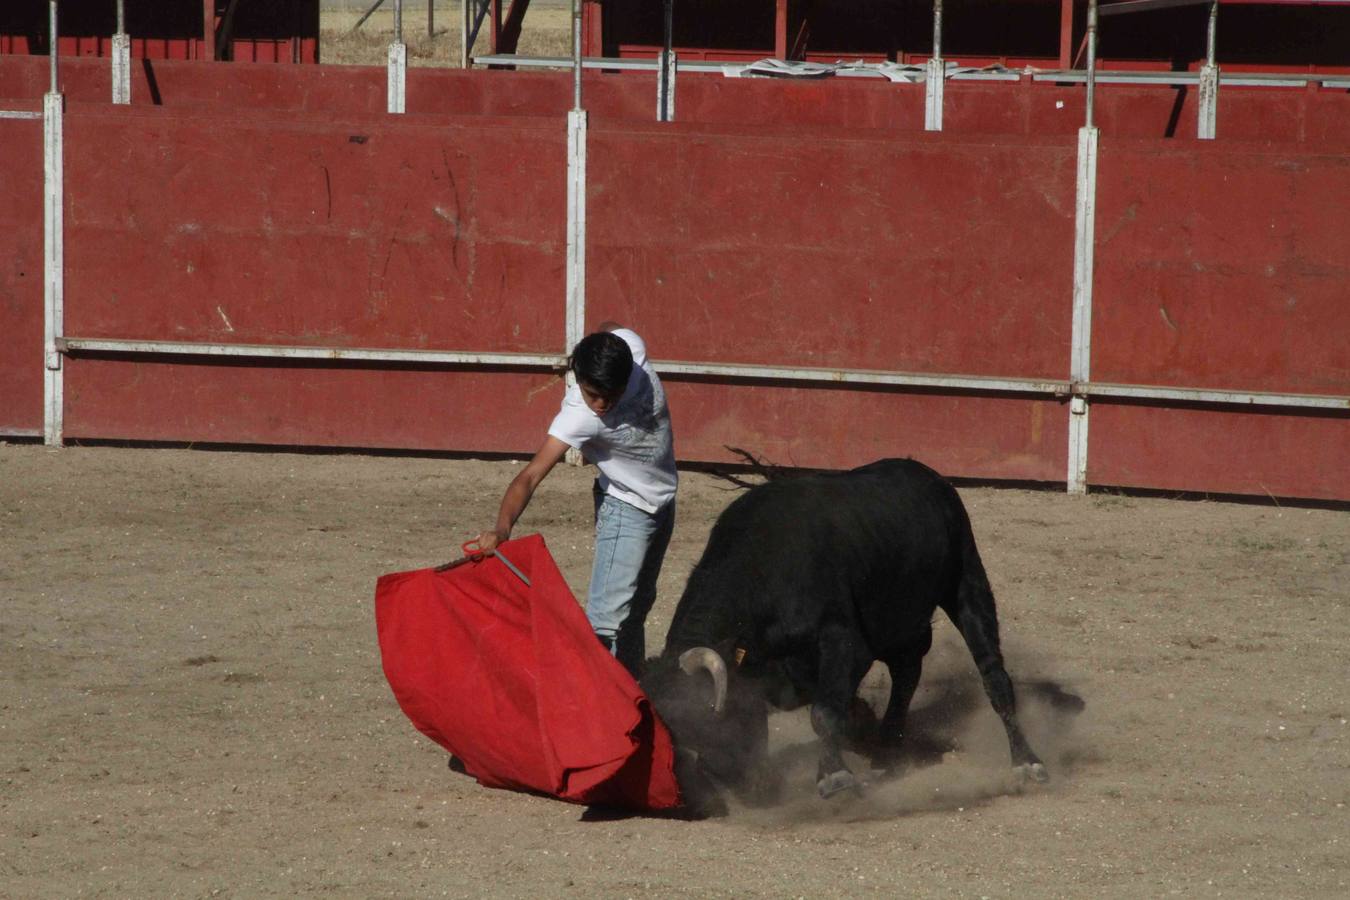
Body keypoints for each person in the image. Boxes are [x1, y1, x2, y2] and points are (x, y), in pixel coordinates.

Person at [475, 323, 677, 677]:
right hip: (626, 508)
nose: (599, 405)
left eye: (609, 396)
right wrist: (501, 529)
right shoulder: (578, 417)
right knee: (605, 622)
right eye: (590, 394)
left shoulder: (631, 347)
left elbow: (610, 329)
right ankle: (598, 707)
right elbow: (530, 475)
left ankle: (631, 690)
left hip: (662, 502)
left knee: (639, 607)